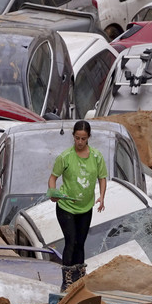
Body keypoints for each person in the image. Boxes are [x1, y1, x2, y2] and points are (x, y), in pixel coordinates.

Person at [48, 121, 107, 291]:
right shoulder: (65, 157)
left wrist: (102, 196)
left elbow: (102, 177)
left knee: (80, 242)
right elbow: (53, 177)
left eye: (83, 139)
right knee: (71, 241)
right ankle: (67, 279)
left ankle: (80, 277)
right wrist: (53, 192)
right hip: (66, 206)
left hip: (85, 207)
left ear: (88, 138)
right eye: (77, 138)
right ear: (73, 136)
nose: (80, 142)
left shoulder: (96, 156)